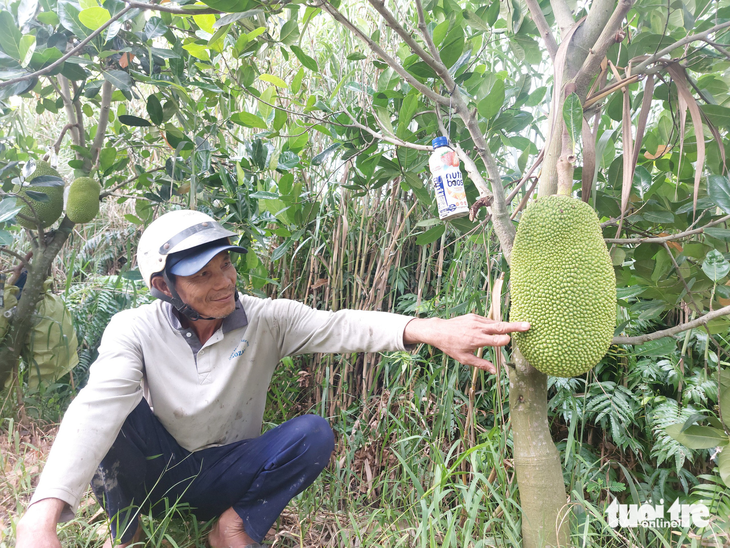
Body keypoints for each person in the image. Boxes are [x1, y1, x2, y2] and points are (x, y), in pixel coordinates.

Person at [16, 210, 530, 548]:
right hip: (157, 464)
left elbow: (342, 325)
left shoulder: (266, 319)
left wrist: (432, 329)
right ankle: (126, 532)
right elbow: (95, 408)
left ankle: (233, 525)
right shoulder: (133, 328)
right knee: (114, 407)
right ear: (162, 285)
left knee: (313, 433)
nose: (224, 284)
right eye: (202, 275)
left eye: (226, 266)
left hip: (223, 469)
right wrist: (44, 512)